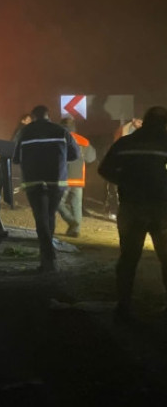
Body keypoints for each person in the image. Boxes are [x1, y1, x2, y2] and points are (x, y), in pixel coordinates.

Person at [98, 106, 167, 324]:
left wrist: (126, 182)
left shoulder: (125, 143)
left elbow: (104, 170)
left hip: (131, 207)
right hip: (161, 209)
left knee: (128, 258)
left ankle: (124, 306)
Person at [12, 105, 79, 272]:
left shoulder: (24, 132)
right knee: (50, 216)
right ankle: (48, 254)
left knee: (41, 218)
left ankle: (47, 257)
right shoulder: (61, 131)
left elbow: (15, 158)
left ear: (34, 116)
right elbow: (74, 154)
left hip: (34, 182)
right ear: (49, 115)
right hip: (56, 181)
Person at [56, 118, 96, 237]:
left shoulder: (58, 139)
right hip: (78, 178)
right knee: (76, 205)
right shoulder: (83, 141)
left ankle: (71, 221)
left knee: (57, 202)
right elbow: (91, 158)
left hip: (62, 177)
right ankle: (75, 230)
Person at [105, 117, 143, 220]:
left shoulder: (140, 134)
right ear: (134, 120)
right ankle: (113, 211)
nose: (141, 124)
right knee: (114, 190)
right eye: (139, 122)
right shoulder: (122, 131)